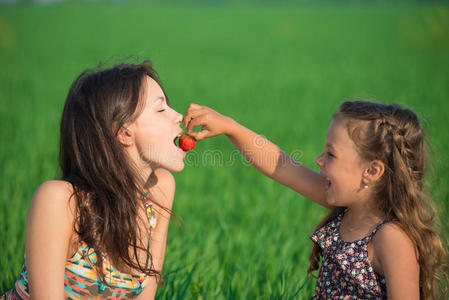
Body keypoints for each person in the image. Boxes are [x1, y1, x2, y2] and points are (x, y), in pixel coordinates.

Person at [183, 101, 448, 299]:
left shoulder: (391, 238)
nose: (318, 160)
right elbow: (281, 165)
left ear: (372, 171)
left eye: (331, 155)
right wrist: (231, 127)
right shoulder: (347, 208)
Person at [2, 61, 187, 299]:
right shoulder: (61, 200)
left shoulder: (160, 188)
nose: (179, 116)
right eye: (161, 110)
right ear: (124, 133)